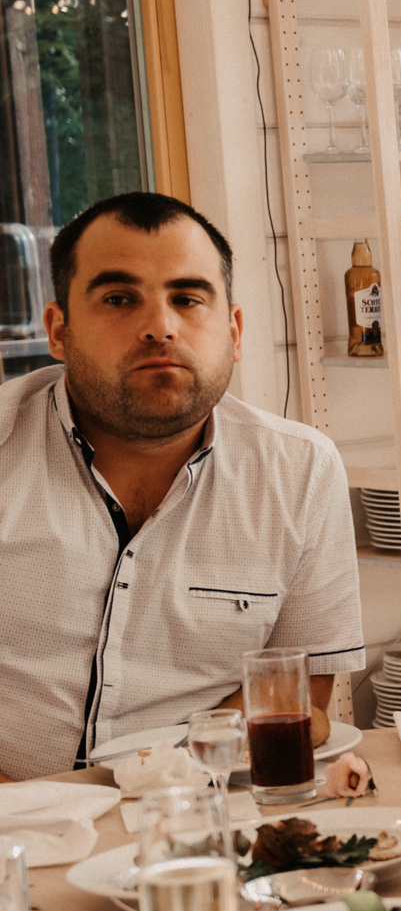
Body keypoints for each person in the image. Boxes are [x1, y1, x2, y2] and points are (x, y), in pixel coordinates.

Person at [0, 193, 361, 782]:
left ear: (234, 331)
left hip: (207, 807)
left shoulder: (301, 471)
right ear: (59, 331)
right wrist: (37, 817)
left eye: (187, 299)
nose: (160, 328)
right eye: (119, 299)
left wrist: (163, 801)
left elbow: (293, 698)